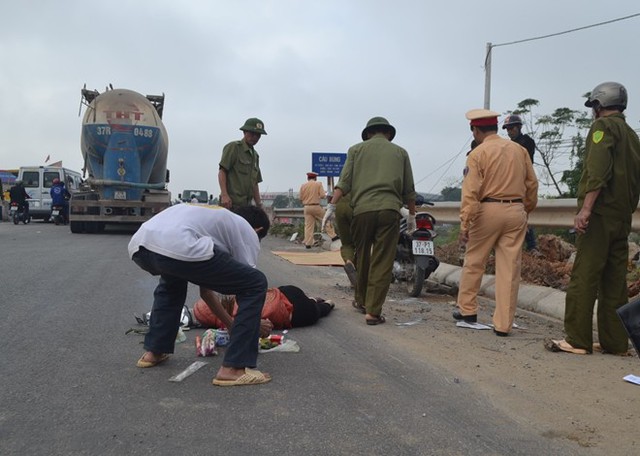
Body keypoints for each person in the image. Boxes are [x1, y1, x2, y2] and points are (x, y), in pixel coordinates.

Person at [128, 204, 273, 386]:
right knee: (256, 282)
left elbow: (206, 291)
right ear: (258, 230)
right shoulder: (246, 229)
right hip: (180, 246)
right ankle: (234, 368)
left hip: (141, 247)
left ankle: (154, 351)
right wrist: (251, 324)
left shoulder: (210, 216)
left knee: (173, 282)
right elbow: (246, 287)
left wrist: (232, 324)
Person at [547, 81, 640, 355]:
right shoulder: (632, 136)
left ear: (599, 105)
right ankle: (615, 343)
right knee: (614, 281)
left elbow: (598, 171)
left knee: (584, 275)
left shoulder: (602, 128)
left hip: (599, 214)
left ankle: (577, 339)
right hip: (622, 217)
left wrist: (586, 209)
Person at [323, 117, 417, 325]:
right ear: (389, 134)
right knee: (382, 260)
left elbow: (344, 182)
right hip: (389, 210)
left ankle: (361, 300)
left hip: (362, 211)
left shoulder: (356, 150)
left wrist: (331, 206)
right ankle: (373, 312)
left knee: (362, 255)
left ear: (367, 134)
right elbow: (409, 189)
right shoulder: (400, 152)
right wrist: (411, 215)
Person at [454, 109, 538, 336]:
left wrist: (465, 224)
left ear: (476, 130)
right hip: (516, 210)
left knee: (474, 261)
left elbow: (470, 193)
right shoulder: (519, 150)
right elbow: (532, 185)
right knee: (509, 269)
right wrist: (525, 209)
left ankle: (468, 311)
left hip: (487, 210)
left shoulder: (478, 154)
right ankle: (503, 324)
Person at [193, 285, 335, 330]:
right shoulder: (237, 298)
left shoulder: (237, 320)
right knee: (308, 303)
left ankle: (328, 303)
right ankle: (312, 299)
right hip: (286, 291)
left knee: (317, 312)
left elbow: (265, 325)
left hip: (299, 312)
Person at [503, 114, 540, 255]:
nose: (509, 131)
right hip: (509, 183)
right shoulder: (507, 145)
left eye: (511, 128)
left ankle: (531, 246)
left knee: (522, 214)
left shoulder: (527, 142)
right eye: (507, 129)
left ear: (518, 127)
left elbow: (525, 163)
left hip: (523, 182)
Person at [218, 118, 267, 210]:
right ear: (244, 132)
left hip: (246, 206)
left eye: (258, 135)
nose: (255, 137)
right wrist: (224, 195)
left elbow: (255, 183)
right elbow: (222, 171)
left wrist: (259, 204)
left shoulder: (255, 156)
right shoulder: (234, 148)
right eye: (252, 134)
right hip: (230, 204)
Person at [299, 171, 338, 249]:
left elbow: (300, 198)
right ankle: (333, 236)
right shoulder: (318, 184)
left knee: (308, 226)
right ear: (315, 178)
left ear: (308, 178)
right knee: (325, 219)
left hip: (306, 207)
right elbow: (323, 195)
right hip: (315, 206)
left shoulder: (303, 186)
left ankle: (308, 243)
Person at [334, 192, 357, 288]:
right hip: (356, 204)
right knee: (362, 243)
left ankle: (349, 262)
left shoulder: (345, 176)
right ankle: (361, 276)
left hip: (340, 205)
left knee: (347, 243)